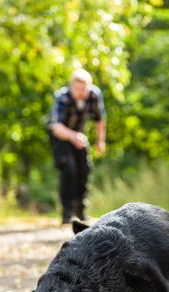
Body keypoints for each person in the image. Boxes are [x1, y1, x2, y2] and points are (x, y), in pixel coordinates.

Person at [47, 69, 106, 224]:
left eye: (83, 89)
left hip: (79, 135)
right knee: (68, 170)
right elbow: (55, 127)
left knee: (84, 169)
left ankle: (81, 209)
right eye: (77, 89)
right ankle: (67, 213)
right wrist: (73, 136)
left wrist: (100, 141)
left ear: (89, 87)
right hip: (61, 136)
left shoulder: (94, 95)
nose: (80, 93)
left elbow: (99, 120)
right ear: (71, 86)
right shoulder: (62, 97)